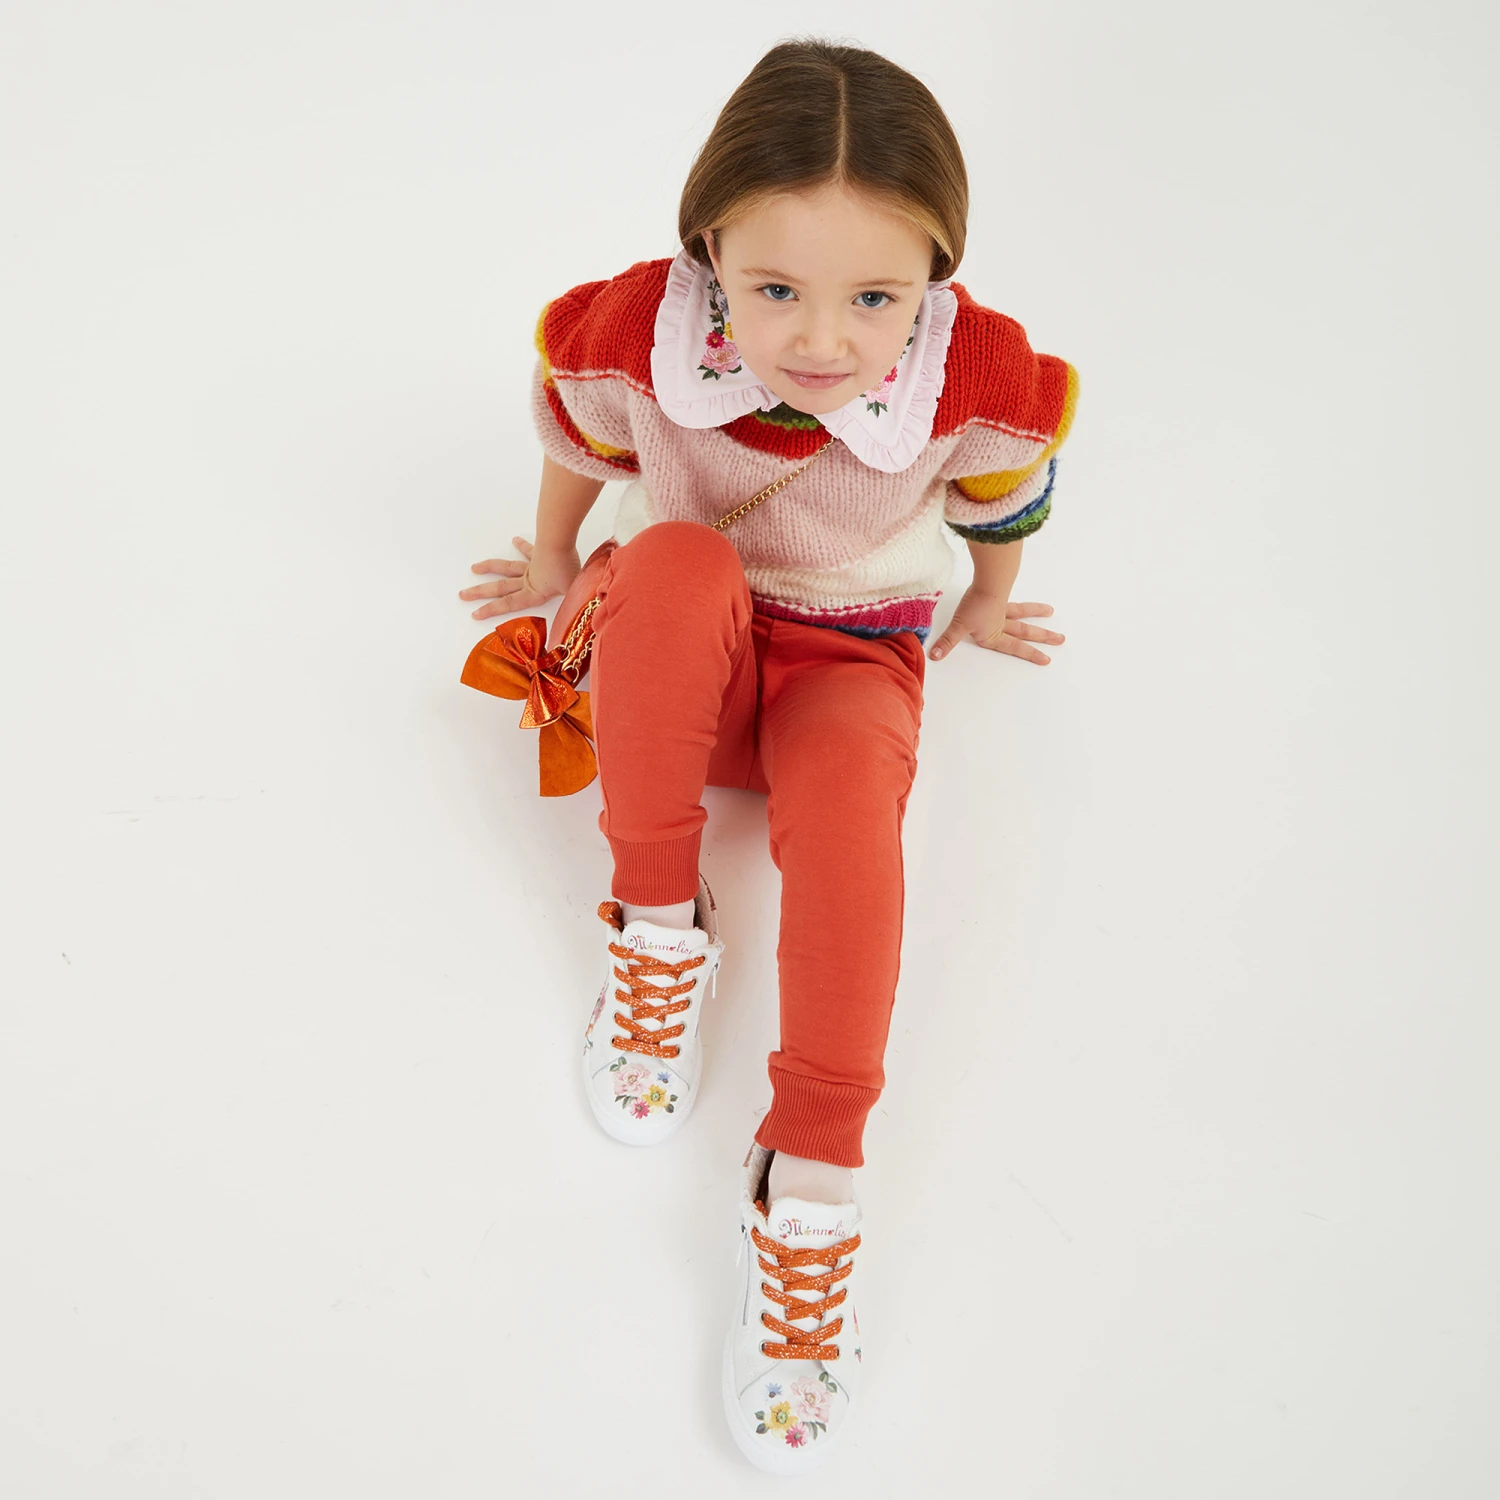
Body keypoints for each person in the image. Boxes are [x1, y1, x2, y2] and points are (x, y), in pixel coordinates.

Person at [458, 38, 1078, 1475]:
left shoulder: (976, 377)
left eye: (875, 298)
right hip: (681, 662)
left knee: (857, 808)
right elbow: (581, 436)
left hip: (847, 658)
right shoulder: (640, 329)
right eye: (776, 289)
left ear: (933, 278)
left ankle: (812, 1172)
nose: (823, 341)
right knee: (675, 557)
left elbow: (1004, 495)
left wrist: (989, 602)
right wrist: (552, 559)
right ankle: (659, 921)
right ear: (709, 253)